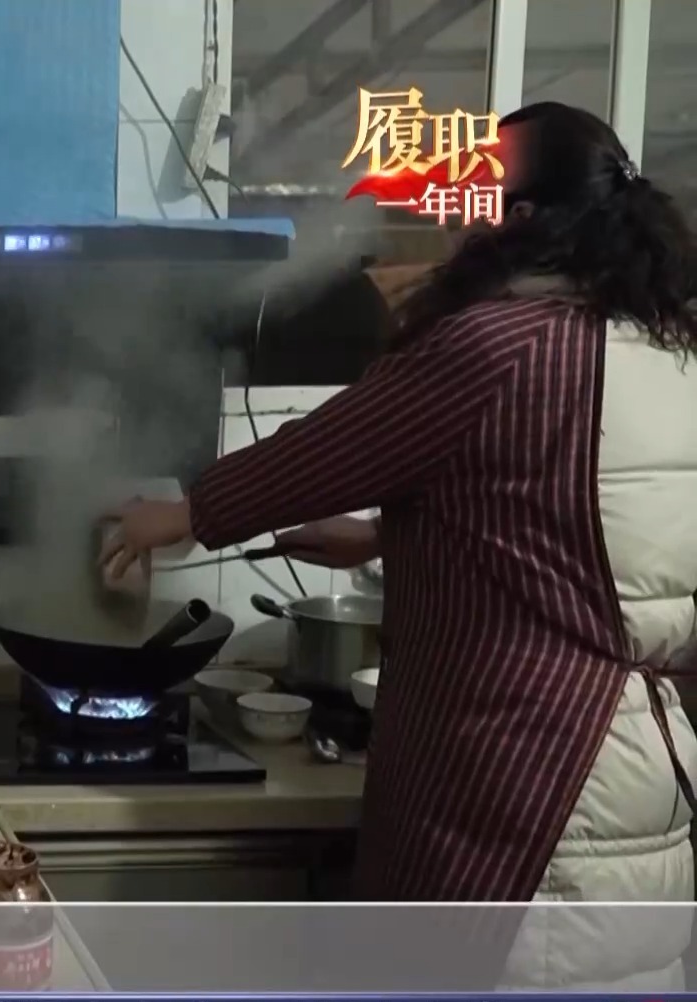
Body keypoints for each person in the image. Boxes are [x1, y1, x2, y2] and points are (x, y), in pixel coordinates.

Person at [103, 103, 697, 986]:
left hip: (520, 803)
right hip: (644, 784)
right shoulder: (666, 352)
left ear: (520, 218)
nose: (454, 220)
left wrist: (178, 513)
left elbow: (326, 453)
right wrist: (389, 536)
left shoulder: (498, 347)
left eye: (473, 198)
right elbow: (580, 538)